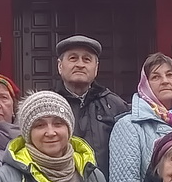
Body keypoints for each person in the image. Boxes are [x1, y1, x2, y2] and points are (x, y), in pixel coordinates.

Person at [111, 53, 172, 182]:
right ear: (145, 85)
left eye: (170, 75)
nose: (165, 81)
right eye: (156, 77)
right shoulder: (129, 126)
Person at [55, 35, 129, 173]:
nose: (80, 64)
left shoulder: (115, 105)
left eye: (86, 59)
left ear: (96, 68)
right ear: (60, 66)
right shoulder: (48, 105)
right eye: (73, 58)